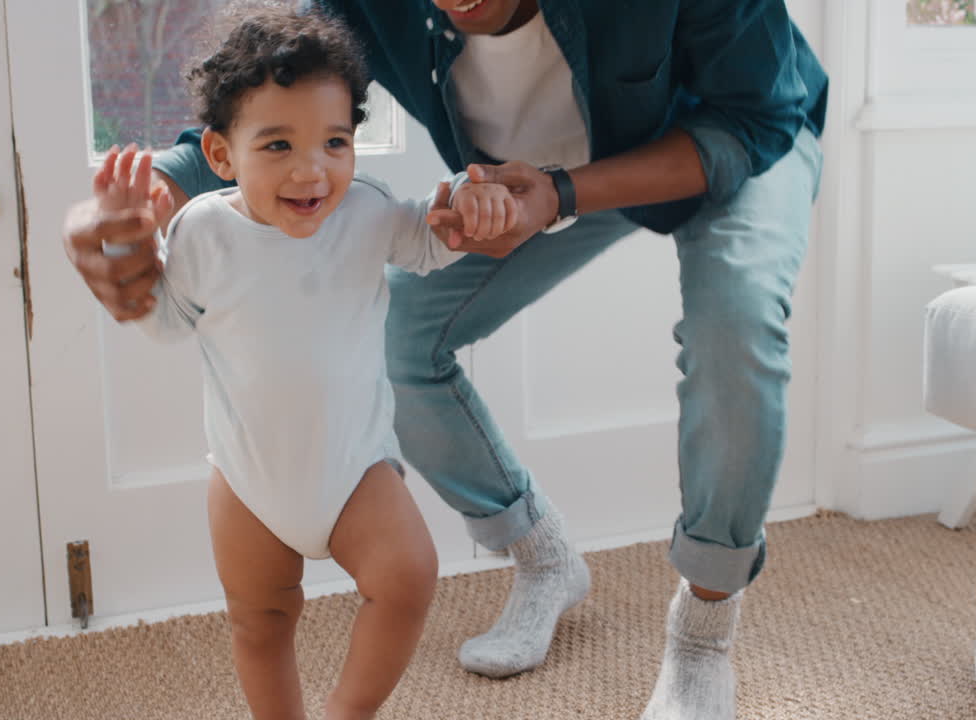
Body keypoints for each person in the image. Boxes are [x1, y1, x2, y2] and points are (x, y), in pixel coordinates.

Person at [64, 1, 827, 717]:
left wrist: (564, 193)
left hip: (731, 138)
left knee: (736, 330)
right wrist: (138, 200)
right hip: (531, 178)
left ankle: (703, 629)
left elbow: (754, 115)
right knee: (404, 336)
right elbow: (270, 105)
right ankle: (545, 557)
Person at [87, 6, 520, 719]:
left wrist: (472, 207)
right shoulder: (203, 232)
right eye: (279, 144)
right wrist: (126, 251)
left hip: (354, 467)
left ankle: (347, 713)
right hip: (249, 479)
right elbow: (165, 323)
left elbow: (433, 240)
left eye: (335, 141)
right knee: (260, 623)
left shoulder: (369, 212)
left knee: (409, 577)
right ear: (222, 156)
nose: (312, 169)